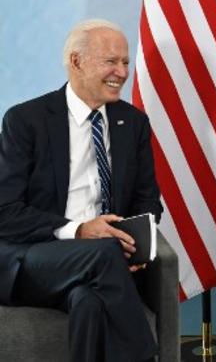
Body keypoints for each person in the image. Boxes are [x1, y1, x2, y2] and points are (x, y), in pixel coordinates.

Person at [0, 19, 163, 361]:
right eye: (111, 61)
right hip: (33, 257)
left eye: (125, 62)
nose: (121, 72)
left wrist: (137, 248)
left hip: (103, 262)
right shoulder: (25, 120)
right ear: (76, 61)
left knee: (88, 302)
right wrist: (79, 231)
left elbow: (148, 201)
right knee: (104, 252)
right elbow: (5, 212)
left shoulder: (133, 124)